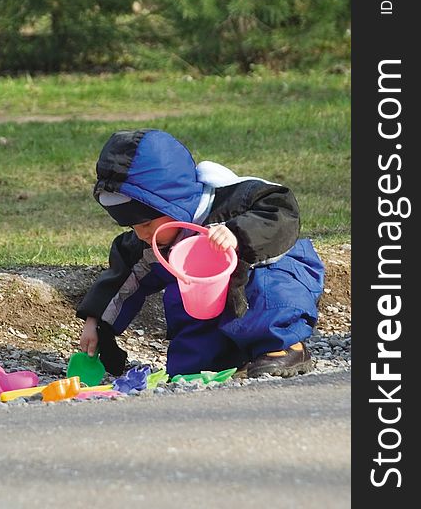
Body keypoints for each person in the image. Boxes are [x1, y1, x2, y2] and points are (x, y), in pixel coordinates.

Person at [77, 129, 325, 379]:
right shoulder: (151, 242)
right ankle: (214, 363)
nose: (141, 234)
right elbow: (123, 277)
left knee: (267, 284)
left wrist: (238, 234)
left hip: (268, 269)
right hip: (211, 301)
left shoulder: (235, 200)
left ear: (173, 204)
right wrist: (97, 323)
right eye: (133, 227)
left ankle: (283, 346)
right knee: (184, 323)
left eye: (146, 224)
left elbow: (282, 214)